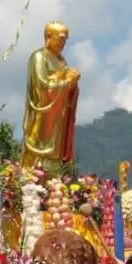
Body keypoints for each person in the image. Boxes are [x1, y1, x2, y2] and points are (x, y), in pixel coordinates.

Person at [20, 21, 81, 177]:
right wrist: (67, 82)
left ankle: (56, 173)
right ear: (49, 36)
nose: (63, 43)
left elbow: (66, 89)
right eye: (60, 39)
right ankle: (36, 171)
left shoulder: (61, 60)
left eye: (65, 40)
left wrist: (73, 84)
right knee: (39, 158)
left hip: (59, 116)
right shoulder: (39, 57)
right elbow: (42, 87)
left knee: (56, 156)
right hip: (44, 115)